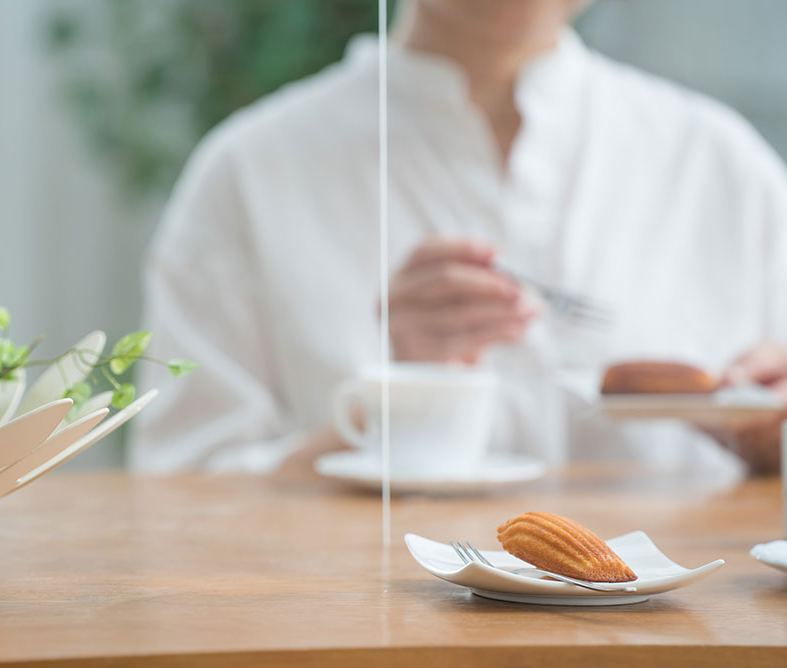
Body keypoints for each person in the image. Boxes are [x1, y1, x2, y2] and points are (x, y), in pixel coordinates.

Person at [130, 0, 787, 477]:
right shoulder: (249, 174)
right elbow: (178, 501)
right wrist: (393, 407)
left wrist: (767, 442)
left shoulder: (722, 166)